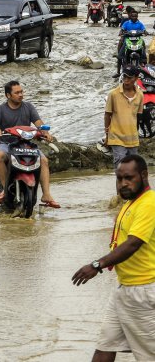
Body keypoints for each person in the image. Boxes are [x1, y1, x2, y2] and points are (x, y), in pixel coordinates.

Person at [72, 155, 155, 362]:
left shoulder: (149, 204)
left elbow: (133, 243)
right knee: (104, 347)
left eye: (129, 178)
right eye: (119, 179)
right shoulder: (131, 202)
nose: (123, 184)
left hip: (143, 292)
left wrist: (97, 264)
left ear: (144, 175)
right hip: (124, 289)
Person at [0, 80, 60, 208]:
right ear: (8, 95)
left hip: (26, 144)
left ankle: (47, 194)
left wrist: (45, 133)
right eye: (17, 93)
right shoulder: (1, 109)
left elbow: (38, 123)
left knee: (43, 160)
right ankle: (5, 189)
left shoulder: (29, 107)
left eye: (21, 92)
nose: (21, 95)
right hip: (7, 144)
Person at [105, 66, 144, 168]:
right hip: (116, 138)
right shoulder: (113, 94)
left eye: (129, 78)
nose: (126, 81)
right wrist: (107, 136)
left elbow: (138, 117)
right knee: (121, 169)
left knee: (133, 170)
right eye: (124, 77)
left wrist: (137, 135)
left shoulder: (140, 95)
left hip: (133, 140)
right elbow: (107, 114)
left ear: (136, 78)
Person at [114, 10, 148, 77]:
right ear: (130, 16)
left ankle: (143, 62)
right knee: (120, 51)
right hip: (127, 39)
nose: (134, 17)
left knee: (143, 44)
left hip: (137, 39)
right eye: (133, 16)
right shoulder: (126, 23)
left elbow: (144, 30)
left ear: (137, 16)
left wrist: (145, 32)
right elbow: (122, 29)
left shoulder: (140, 24)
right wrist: (121, 32)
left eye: (135, 16)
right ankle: (118, 71)